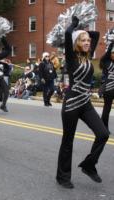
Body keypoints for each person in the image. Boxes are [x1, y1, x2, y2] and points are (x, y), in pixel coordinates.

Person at [56, 16, 109, 189]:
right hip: (71, 103)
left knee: (103, 134)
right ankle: (63, 177)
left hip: (85, 103)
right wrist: (74, 25)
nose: (87, 42)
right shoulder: (71, 57)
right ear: (76, 43)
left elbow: (96, 33)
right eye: (83, 40)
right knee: (68, 141)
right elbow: (67, 33)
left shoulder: (89, 55)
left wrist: (84, 28)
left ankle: (88, 165)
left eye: (88, 41)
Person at [99, 42, 114, 130]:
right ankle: (104, 126)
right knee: (107, 108)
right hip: (108, 88)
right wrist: (112, 43)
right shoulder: (106, 61)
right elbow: (108, 52)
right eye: (113, 53)